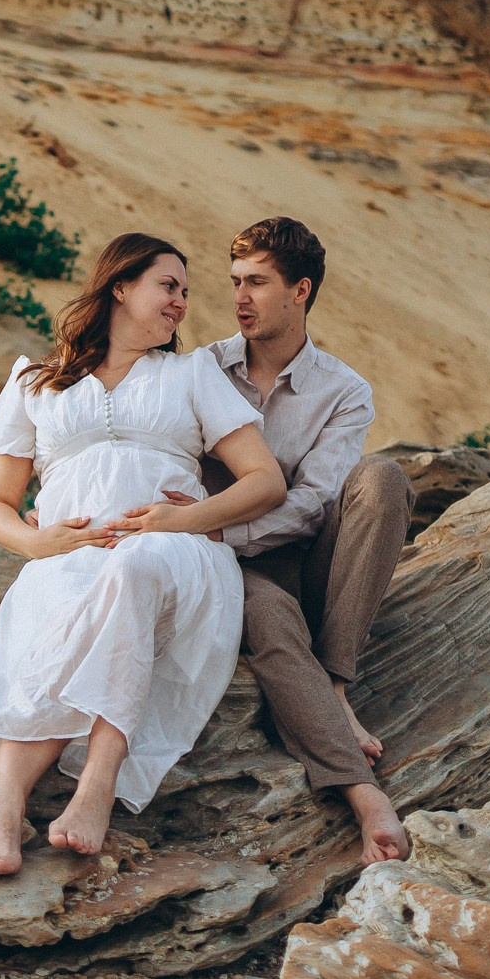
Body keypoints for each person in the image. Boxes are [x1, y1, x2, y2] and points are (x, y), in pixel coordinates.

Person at [0, 232, 289, 877]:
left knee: (133, 566)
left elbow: (264, 482)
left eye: (186, 291)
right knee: (52, 616)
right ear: (120, 287)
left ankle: (97, 784)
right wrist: (36, 543)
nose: (181, 302)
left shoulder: (190, 374)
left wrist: (183, 520)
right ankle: (5, 808)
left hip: (175, 555)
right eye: (168, 286)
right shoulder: (35, 381)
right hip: (68, 555)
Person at [201, 217, 414, 863]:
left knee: (383, 479)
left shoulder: (344, 390)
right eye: (235, 281)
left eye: (257, 283)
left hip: (301, 557)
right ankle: (364, 796)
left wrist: (228, 527)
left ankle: (337, 684)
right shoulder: (203, 368)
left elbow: (316, 499)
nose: (240, 297)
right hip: (228, 567)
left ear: (301, 291)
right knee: (271, 619)